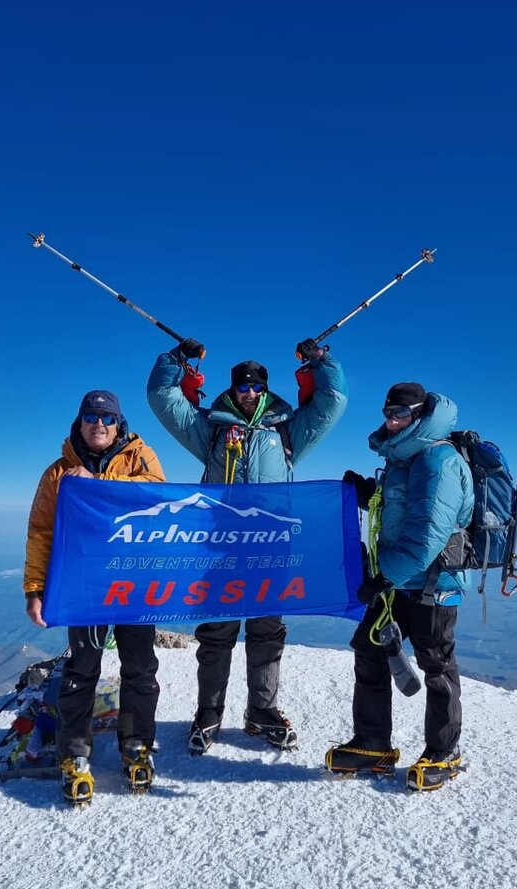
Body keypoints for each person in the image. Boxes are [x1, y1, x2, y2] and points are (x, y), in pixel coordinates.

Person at [147, 337, 347, 755]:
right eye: (243, 386)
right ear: (232, 389)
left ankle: (263, 712)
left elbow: (332, 403)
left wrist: (321, 361)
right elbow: (164, 399)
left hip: (271, 550)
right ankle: (209, 713)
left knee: (266, 633)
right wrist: (176, 360)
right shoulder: (213, 430)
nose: (250, 393)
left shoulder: (288, 432)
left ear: (266, 390)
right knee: (217, 634)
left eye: (257, 387)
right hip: (220, 551)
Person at [327, 381, 474, 791]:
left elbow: (428, 532)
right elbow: (401, 510)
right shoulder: (405, 459)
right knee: (369, 649)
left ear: (420, 415)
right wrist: (368, 493)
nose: (392, 421)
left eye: (401, 415)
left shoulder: (438, 461)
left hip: (432, 583)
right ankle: (374, 742)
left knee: (436, 664)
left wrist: (382, 577)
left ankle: (445, 752)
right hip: (396, 582)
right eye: (389, 414)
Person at [24, 389, 166, 802]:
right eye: (91, 417)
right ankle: (74, 753)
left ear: (119, 423)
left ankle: (137, 745)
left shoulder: (142, 458)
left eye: (107, 418)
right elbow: (41, 533)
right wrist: (35, 589)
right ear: (79, 422)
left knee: (140, 668)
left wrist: (97, 482)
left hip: (136, 582)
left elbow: (156, 494)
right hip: (85, 585)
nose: (98, 424)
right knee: (82, 669)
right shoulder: (57, 473)